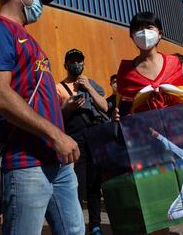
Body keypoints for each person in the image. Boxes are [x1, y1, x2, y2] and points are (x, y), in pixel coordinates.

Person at [0, 0, 84, 234]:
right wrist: (56, 135)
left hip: (58, 161)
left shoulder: (28, 38)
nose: (40, 3)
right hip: (25, 163)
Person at [113, 11, 183, 235]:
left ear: (160, 34)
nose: (144, 33)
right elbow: (124, 107)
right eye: (138, 29)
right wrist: (118, 116)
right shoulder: (125, 70)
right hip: (147, 144)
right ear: (131, 35)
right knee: (158, 210)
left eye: (149, 28)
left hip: (180, 138)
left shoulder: (173, 63)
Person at [56, 48, 109, 235]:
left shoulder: (91, 83)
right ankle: (76, 224)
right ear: (66, 64)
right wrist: (67, 106)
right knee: (76, 185)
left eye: (79, 60)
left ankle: (94, 224)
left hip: (94, 137)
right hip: (74, 139)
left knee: (94, 185)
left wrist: (89, 88)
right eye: (72, 61)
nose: (76, 64)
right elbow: (56, 117)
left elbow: (104, 107)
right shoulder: (59, 87)